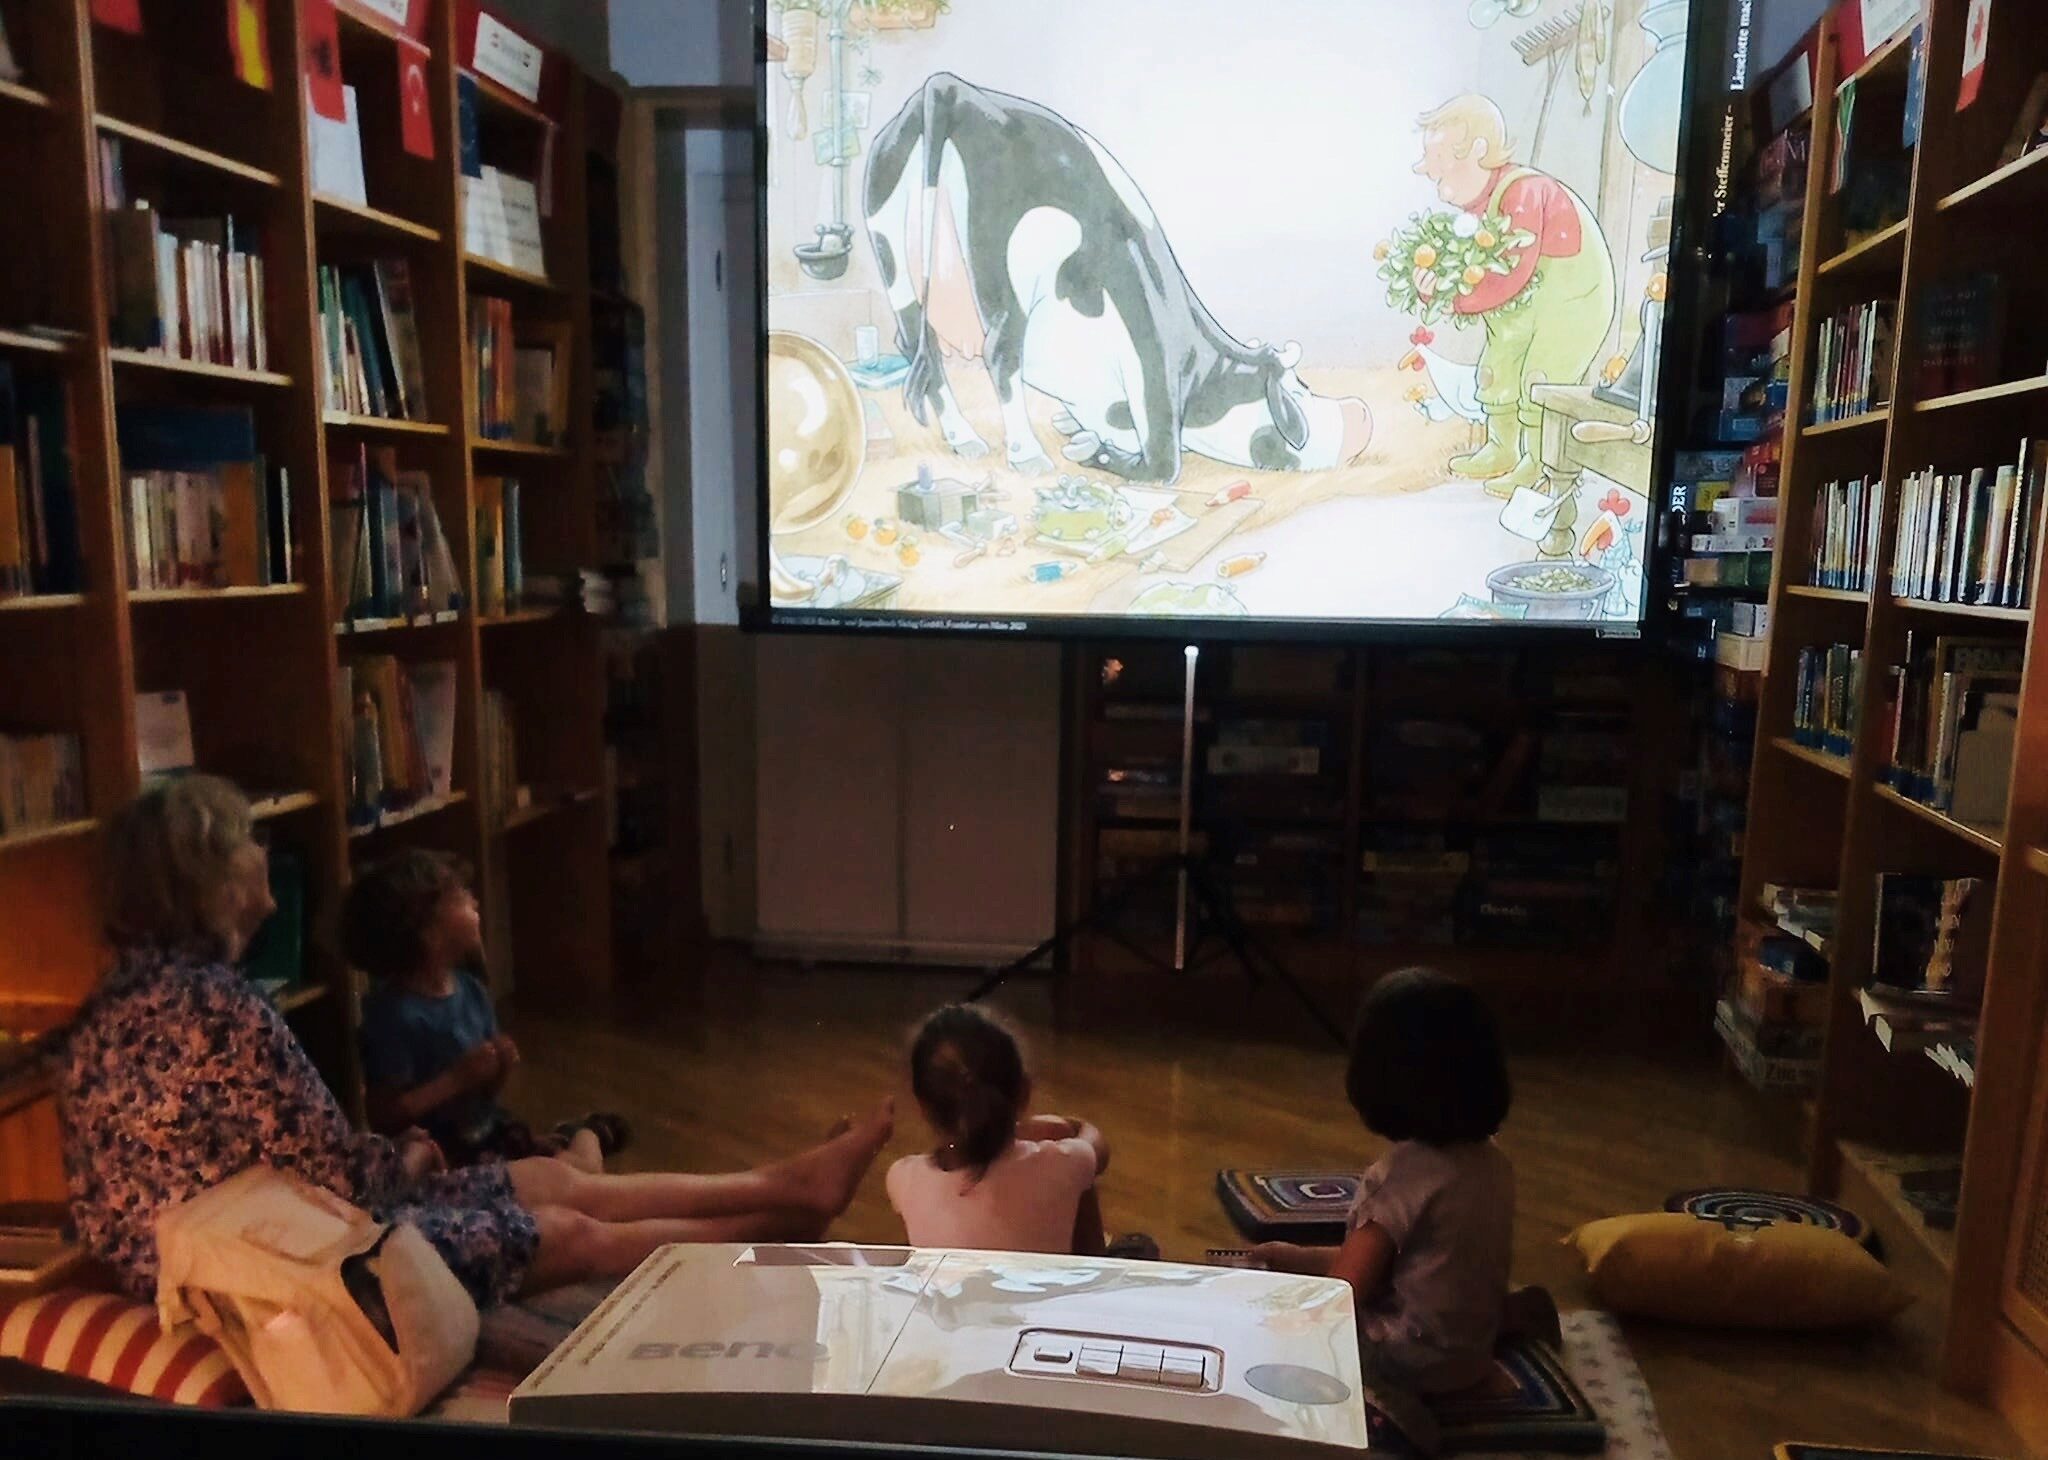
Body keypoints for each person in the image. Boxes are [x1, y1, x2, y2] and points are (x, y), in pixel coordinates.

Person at [61, 776, 893, 1309]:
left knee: (547, 1178)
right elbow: (344, 1181)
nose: (263, 855)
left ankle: (787, 1187)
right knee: (567, 1230)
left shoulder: (120, 1000)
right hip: (276, 1271)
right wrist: (413, 1156)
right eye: (250, 840)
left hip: (227, 1253)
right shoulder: (218, 1009)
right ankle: (784, 1216)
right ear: (210, 874)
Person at [1252, 968, 1519, 1395]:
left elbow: (1343, 1293)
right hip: (1470, 1358)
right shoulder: (1494, 1162)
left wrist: (1277, 1316)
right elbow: (1406, 1265)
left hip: (1407, 1363)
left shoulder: (1399, 1177)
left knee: (1268, 1336)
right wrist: (1297, 1258)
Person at [341, 849, 623, 1172]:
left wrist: (498, 1069)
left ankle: (574, 1138)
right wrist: (455, 1079)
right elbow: (384, 1116)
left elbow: (483, 1097)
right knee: (581, 1172)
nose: (474, 902)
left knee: (573, 1171)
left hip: (488, 1137)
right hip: (443, 1157)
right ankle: (585, 1134)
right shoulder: (393, 1016)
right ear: (429, 933)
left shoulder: (471, 990)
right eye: (461, 896)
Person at [1412, 95, 1615, 507]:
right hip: (1526, 306)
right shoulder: (1477, 210)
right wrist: (1433, 284)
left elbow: (1509, 275)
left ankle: (1539, 461)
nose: (1436, 181)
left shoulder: (1525, 192)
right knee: (1497, 366)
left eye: (1442, 168)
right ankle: (1502, 448)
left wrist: (1454, 298)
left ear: (1478, 150)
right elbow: (1476, 271)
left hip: (1574, 302)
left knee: (1541, 379)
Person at [887, 1004, 1140, 1256]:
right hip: (1050, 1284)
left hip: (959, 1284)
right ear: (1024, 1092)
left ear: (921, 1105)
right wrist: (1067, 1126)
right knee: (1138, 1245)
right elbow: (1096, 1148)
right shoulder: (1064, 1162)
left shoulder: (904, 1179)